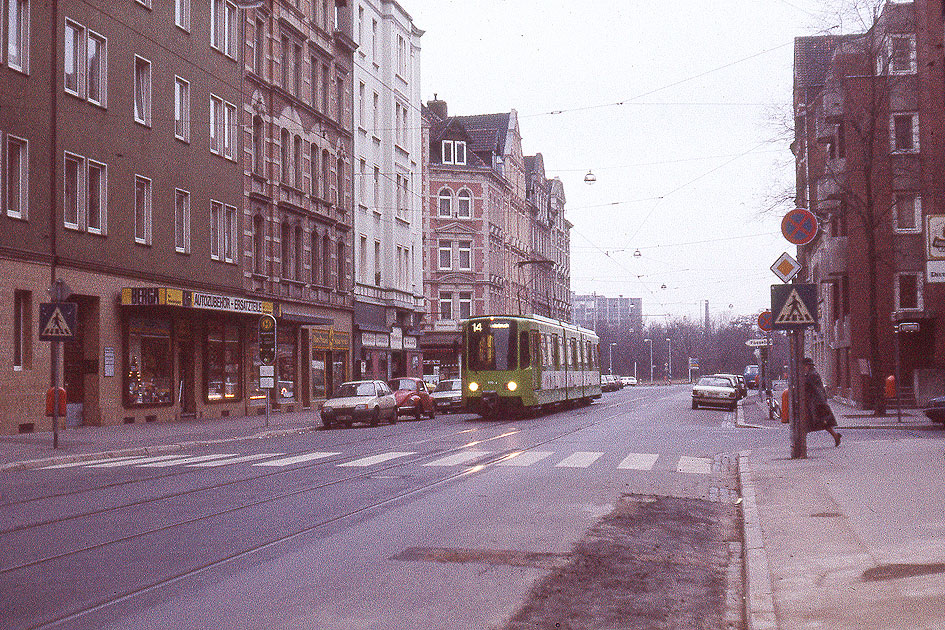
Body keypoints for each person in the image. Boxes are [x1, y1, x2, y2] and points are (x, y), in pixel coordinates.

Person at [802, 357, 841, 447]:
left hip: (816, 403)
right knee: (821, 423)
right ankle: (836, 436)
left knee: (815, 422)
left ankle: (801, 444)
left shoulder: (812, 375)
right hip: (816, 402)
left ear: (807, 365)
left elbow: (812, 388)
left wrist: (821, 403)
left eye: (804, 365)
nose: (803, 367)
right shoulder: (811, 374)